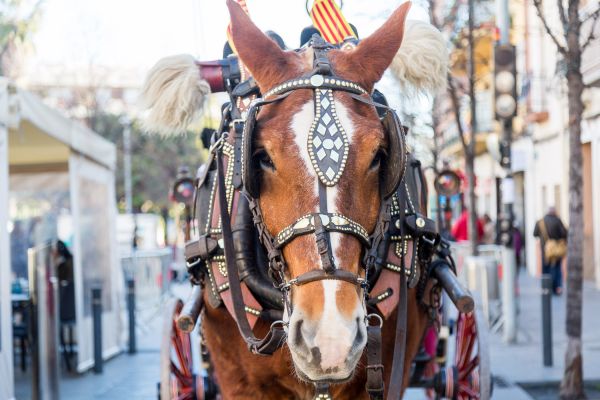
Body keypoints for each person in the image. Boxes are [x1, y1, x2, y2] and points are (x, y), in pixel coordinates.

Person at [533, 207, 568, 295]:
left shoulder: (540, 222)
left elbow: (535, 234)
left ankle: (547, 288)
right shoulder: (558, 220)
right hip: (556, 250)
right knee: (556, 268)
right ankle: (556, 288)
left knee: (546, 269)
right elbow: (564, 233)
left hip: (545, 250)